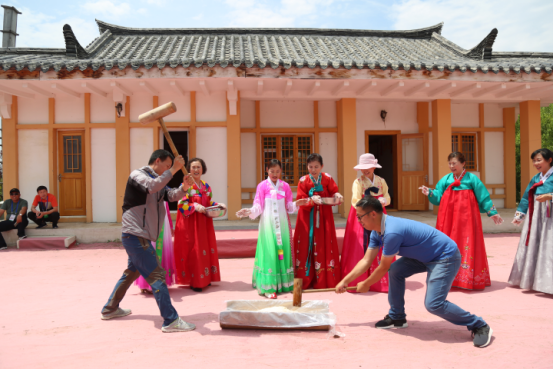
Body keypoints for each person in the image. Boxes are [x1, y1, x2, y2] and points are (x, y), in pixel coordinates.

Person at [336, 196, 493, 348]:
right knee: (396, 270)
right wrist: (345, 281)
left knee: (434, 304)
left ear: (373, 214)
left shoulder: (392, 232)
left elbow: (383, 266)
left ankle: (479, 325)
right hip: (423, 256)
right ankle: (397, 317)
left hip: (444, 256)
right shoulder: (376, 231)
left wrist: (366, 284)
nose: (358, 221)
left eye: (360, 216)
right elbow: (366, 260)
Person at [101, 149, 196, 333]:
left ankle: (110, 308)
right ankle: (170, 320)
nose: (168, 169)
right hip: (135, 234)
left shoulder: (159, 182)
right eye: (167, 166)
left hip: (140, 235)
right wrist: (174, 170)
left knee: (131, 273)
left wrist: (184, 188)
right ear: (157, 161)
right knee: (157, 275)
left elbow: (171, 196)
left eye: (170, 166)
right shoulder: (138, 175)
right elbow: (152, 187)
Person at [419, 152, 503, 291]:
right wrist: (430, 192)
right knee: (446, 243)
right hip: (448, 220)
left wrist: (492, 212)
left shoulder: (472, 179)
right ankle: (446, 277)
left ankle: (467, 278)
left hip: (467, 220)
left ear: (463, 163)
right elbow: (438, 197)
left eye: (454, 163)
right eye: (450, 163)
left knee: (466, 243)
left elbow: (484, 197)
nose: (451, 166)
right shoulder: (446, 179)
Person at [236, 159, 308, 298]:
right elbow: (258, 205)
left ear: (281, 171)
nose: (274, 173)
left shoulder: (285, 186)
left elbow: (288, 206)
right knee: (269, 252)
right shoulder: (262, 186)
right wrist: (249, 211)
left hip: (282, 225)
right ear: (267, 170)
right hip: (268, 226)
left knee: (282, 252)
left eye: (277, 171)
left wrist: (296, 203)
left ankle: (284, 284)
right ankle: (269, 288)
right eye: (271, 171)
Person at [341, 153, 393, 293]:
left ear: (374, 167)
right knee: (362, 244)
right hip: (363, 215)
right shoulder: (358, 182)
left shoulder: (381, 181)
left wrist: (383, 201)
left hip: (378, 214)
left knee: (382, 243)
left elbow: (387, 196)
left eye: (368, 167)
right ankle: (359, 278)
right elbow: (355, 200)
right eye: (363, 168)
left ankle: (379, 280)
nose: (365, 170)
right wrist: (368, 207)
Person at [174, 158, 226, 292]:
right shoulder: (186, 185)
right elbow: (181, 204)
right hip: (191, 223)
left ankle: (206, 278)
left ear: (203, 169)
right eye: (193, 167)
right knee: (194, 250)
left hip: (204, 223)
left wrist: (218, 205)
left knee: (205, 248)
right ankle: (195, 281)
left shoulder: (206, 186)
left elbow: (208, 202)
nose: (196, 170)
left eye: (198, 167)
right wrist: (194, 206)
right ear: (188, 169)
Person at [293, 153, 344, 289]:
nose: (313, 169)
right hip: (307, 216)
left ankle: (325, 279)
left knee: (324, 242)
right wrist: (310, 200)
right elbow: (300, 199)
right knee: (306, 243)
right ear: (307, 167)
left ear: (321, 166)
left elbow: (334, 192)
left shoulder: (327, 178)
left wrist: (337, 195)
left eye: (316, 166)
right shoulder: (303, 180)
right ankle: (305, 278)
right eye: (310, 167)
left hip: (324, 214)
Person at [508, 148, 553, 294]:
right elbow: (526, 197)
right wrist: (519, 216)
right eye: (534, 160)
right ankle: (533, 282)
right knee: (534, 245)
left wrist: (550, 196)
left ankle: (548, 284)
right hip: (536, 216)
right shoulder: (536, 178)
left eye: (539, 160)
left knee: (549, 247)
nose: (536, 163)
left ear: (549, 160)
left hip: (550, 216)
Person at [134, 202, 176, 294]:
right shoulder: (146, 191)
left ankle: (160, 281)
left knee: (162, 251)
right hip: (149, 226)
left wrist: (171, 225)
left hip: (163, 226)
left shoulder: (164, 194)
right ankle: (147, 283)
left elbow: (167, 212)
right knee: (149, 252)